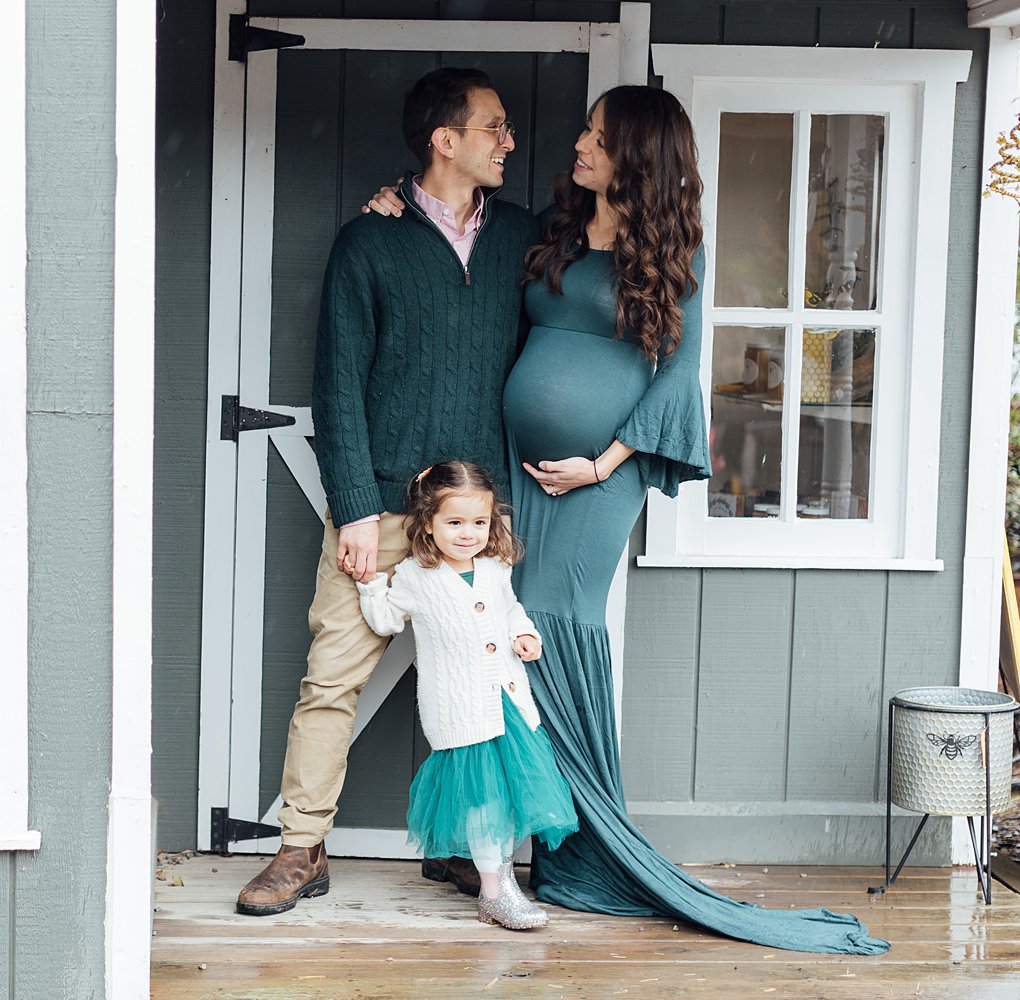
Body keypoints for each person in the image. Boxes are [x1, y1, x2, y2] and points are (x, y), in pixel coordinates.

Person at [362, 86, 889, 955]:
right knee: (501, 643)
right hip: (515, 476)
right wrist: (394, 195)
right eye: (585, 130)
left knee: (558, 635)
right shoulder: (553, 230)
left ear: (637, 157)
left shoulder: (681, 252)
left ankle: (582, 846)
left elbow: (678, 379)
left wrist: (600, 463)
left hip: (599, 482)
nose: (578, 143)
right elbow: (450, 213)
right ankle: (503, 841)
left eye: (599, 137)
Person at [234, 67, 540, 916]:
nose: (507, 142)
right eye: (493, 129)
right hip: (381, 508)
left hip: (478, 512)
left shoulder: (523, 237)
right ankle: (302, 847)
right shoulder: (369, 242)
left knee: (477, 683)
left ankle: (461, 845)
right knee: (332, 679)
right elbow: (337, 384)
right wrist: (357, 510)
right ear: (446, 142)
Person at [356, 461, 578, 929]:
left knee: (512, 797)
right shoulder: (417, 575)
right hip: (461, 710)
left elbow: (510, 608)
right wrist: (370, 583)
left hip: (507, 702)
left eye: (478, 523)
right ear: (428, 524)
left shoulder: (494, 566)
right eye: (454, 523)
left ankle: (503, 882)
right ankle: (495, 894)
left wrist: (525, 634)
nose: (467, 534)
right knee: (483, 801)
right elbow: (386, 620)